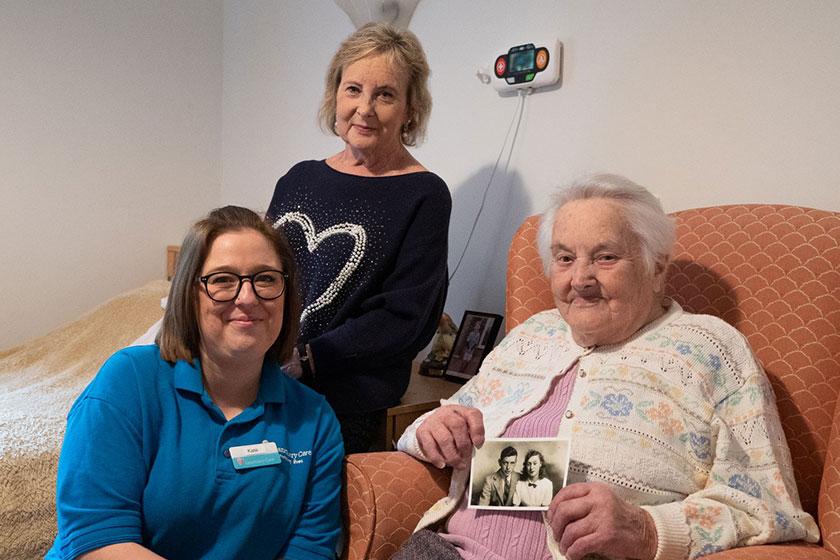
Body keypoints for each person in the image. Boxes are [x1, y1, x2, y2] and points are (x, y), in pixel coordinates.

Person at [393, 174, 820, 560]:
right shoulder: (531, 335)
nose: (580, 278)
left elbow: (767, 505)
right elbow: (446, 423)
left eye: (605, 257)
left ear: (656, 267)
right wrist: (434, 428)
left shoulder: (710, 348)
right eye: (564, 258)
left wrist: (648, 530)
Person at [47, 206, 344, 560]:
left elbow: (310, 549)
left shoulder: (314, 420)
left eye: (266, 279)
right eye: (222, 280)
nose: (247, 298)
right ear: (189, 295)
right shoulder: (128, 382)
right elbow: (96, 538)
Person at [266, 22, 450, 454]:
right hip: (265, 377)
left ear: (410, 109)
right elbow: (262, 275)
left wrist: (308, 359)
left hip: (345, 397)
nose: (364, 108)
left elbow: (405, 318)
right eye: (353, 90)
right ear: (335, 96)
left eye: (385, 94)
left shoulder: (423, 195)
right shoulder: (298, 178)